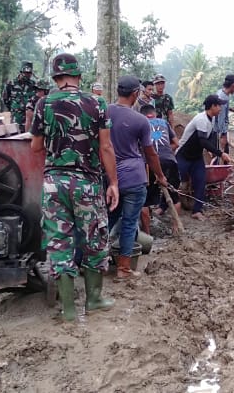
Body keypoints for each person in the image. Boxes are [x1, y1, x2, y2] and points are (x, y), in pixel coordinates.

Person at [30, 53, 120, 322]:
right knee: (94, 240)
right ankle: (93, 300)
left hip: (54, 184)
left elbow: (35, 146)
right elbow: (105, 146)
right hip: (87, 184)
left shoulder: (43, 103)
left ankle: (68, 310)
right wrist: (113, 182)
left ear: (56, 78)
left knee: (59, 243)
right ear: (79, 76)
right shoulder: (97, 103)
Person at [107, 76, 167, 278]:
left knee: (105, 220)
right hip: (134, 178)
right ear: (135, 94)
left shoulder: (104, 113)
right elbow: (150, 153)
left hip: (109, 178)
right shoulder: (140, 120)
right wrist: (160, 176)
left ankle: (89, 261)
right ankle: (124, 268)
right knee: (129, 222)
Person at [176, 94, 231, 220]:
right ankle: (163, 207)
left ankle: (197, 211)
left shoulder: (210, 120)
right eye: (219, 106)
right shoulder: (201, 119)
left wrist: (214, 151)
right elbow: (202, 141)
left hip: (196, 157)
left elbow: (209, 139)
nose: (221, 109)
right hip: (183, 155)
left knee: (201, 182)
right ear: (212, 106)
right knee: (175, 181)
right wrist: (220, 153)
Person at [140, 104, 180, 228]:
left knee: (145, 201)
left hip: (149, 164)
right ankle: (175, 228)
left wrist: (153, 156)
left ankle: (147, 234)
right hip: (170, 161)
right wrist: (166, 150)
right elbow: (176, 143)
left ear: (142, 115)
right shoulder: (164, 122)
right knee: (174, 197)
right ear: (155, 114)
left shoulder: (141, 124)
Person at [2, 61, 37, 130]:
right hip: (16, 118)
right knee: (14, 137)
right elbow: (5, 98)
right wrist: (13, 108)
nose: (28, 75)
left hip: (29, 121)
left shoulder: (34, 85)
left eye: (30, 73)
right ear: (21, 72)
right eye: (26, 73)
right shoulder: (11, 84)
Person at [214, 74, 234, 156]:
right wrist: (222, 135)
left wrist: (228, 108)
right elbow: (220, 117)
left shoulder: (220, 93)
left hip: (215, 130)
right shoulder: (224, 98)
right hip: (218, 132)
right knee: (222, 156)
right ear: (233, 85)